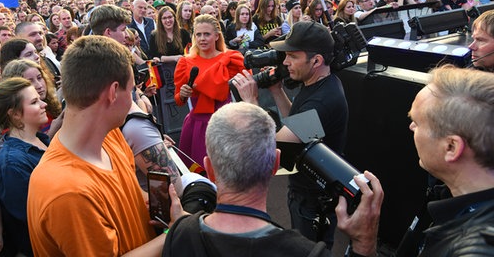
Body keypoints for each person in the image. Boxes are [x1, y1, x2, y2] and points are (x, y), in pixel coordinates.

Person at [27, 35, 183, 256]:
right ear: (112, 93)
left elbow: (128, 195)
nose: (132, 101)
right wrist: (175, 232)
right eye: (130, 91)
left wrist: (157, 205)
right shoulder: (68, 193)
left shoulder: (109, 137)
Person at [163, 102, 383, 257]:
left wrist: (182, 223)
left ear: (209, 169)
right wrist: (364, 244)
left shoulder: (179, 235)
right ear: (275, 164)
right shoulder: (305, 253)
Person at [232, 21, 348, 248]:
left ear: (316, 61)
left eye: (292, 56)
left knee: (309, 251)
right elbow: (294, 126)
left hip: (313, 201)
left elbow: (276, 148)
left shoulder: (322, 102)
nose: (285, 62)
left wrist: (252, 103)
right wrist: (277, 91)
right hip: (305, 192)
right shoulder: (317, 83)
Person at [406, 66, 494, 255]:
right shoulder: (447, 194)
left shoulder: (475, 250)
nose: (411, 127)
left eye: (418, 122)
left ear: (451, 147)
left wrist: (362, 245)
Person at [0, 77, 50, 256]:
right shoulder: (12, 165)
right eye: (34, 102)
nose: (44, 104)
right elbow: (32, 220)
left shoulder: (42, 140)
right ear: (15, 114)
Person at [174, 14, 245, 168]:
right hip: (196, 127)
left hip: (225, 124)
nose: (202, 39)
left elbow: (246, 90)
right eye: (198, 34)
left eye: (207, 34)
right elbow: (178, 100)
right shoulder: (185, 62)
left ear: (216, 36)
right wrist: (183, 94)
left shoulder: (231, 59)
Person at [1, 59, 63, 136]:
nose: (39, 85)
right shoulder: (13, 127)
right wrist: (52, 132)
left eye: (39, 78)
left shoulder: (50, 107)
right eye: (30, 82)